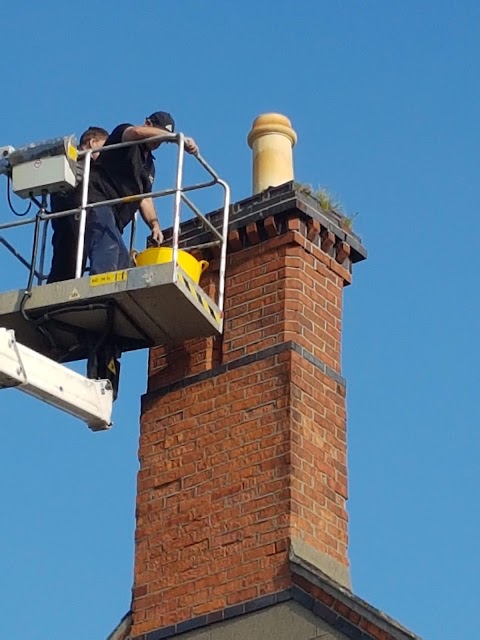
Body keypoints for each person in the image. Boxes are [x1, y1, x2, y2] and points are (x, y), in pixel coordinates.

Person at [85, 111, 198, 275]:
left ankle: (112, 299)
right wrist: (173, 137)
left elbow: (144, 198)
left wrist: (155, 224)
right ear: (147, 123)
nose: (159, 142)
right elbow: (136, 132)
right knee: (107, 254)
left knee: (123, 264)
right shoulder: (125, 134)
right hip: (99, 203)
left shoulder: (149, 166)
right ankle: (97, 296)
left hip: (116, 220)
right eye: (159, 134)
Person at [47, 126, 109, 283]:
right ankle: (57, 296)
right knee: (67, 260)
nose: (105, 154)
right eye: (104, 147)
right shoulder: (72, 157)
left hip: (76, 216)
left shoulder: (90, 165)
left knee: (76, 259)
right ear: (92, 142)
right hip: (69, 213)